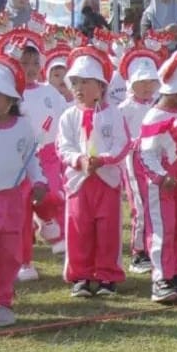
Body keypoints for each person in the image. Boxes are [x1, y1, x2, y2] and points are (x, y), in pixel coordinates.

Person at [57, 46, 130, 298]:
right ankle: (81, 276)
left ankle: (107, 275)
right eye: (75, 82)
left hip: (106, 181)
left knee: (108, 228)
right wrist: (79, 160)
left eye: (85, 82)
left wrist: (103, 160)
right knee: (79, 228)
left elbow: (122, 144)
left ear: (100, 86)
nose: (78, 87)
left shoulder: (113, 114)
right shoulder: (68, 116)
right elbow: (63, 146)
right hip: (79, 182)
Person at [136, 44, 177, 303]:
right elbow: (146, 154)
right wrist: (162, 175)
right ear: (175, 91)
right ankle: (160, 278)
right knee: (163, 227)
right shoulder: (154, 116)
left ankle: (176, 271)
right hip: (164, 179)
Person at [0, 55, 47, 326]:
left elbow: (31, 159)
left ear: (11, 100)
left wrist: (39, 182)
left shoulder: (23, 127)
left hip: (13, 198)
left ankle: (2, 299)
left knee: (9, 250)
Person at [116, 46, 163, 274]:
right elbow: (119, 136)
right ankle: (138, 252)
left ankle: (154, 245)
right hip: (134, 159)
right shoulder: (125, 108)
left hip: (156, 157)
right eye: (140, 81)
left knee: (155, 203)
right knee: (139, 205)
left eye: (150, 81)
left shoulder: (158, 105)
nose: (146, 86)